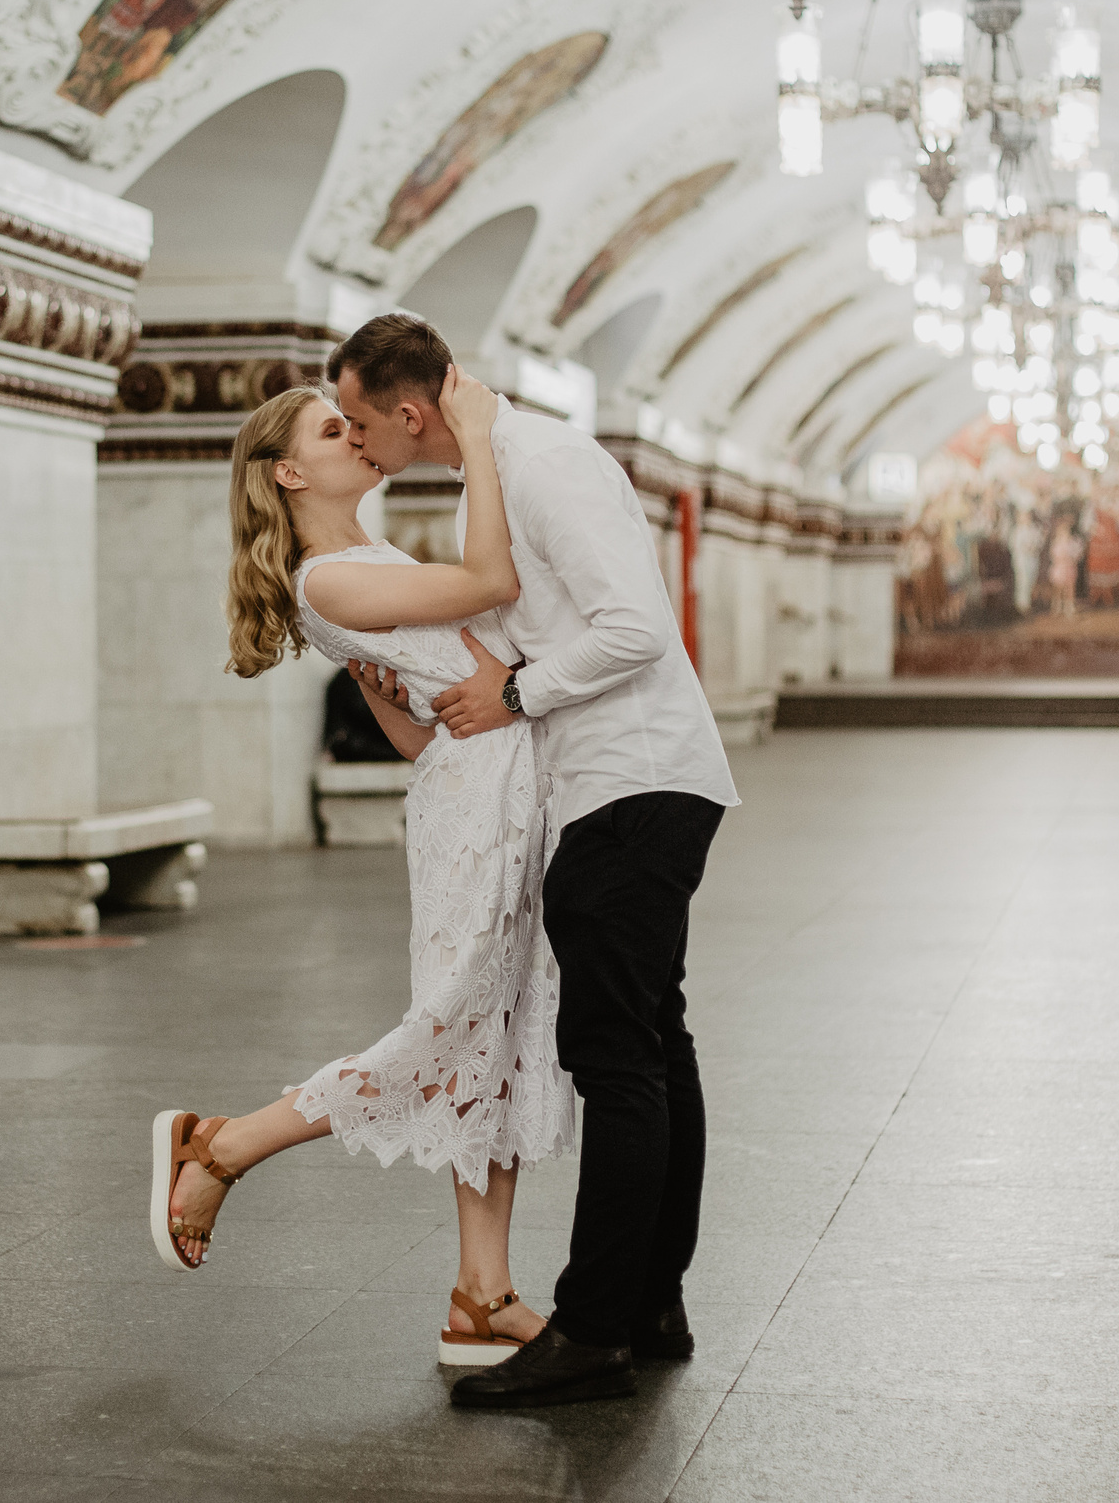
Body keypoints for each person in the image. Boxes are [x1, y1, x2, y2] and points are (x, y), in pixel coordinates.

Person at [333, 312, 739, 1412]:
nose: (355, 442)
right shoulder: (497, 472)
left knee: (617, 1057)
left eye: (360, 423)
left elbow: (633, 630)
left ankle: (594, 1328)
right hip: (630, 782)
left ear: (409, 411)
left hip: (631, 780)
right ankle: (649, 1305)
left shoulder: (544, 462)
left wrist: (514, 691)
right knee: (653, 1041)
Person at [152, 359, 576, 1374]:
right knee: (445, 1025)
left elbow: (418, 735)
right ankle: (224, 1145)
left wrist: (419, 688)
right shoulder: (330, 576)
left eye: (350, 424)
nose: (353, 434)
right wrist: (472, 436)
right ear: (287, 476)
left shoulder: (362, 562)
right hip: (476, 809)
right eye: (329, 431)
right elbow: (493, 585)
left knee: (502, 1038)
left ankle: (483, 1296)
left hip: (482, 787)